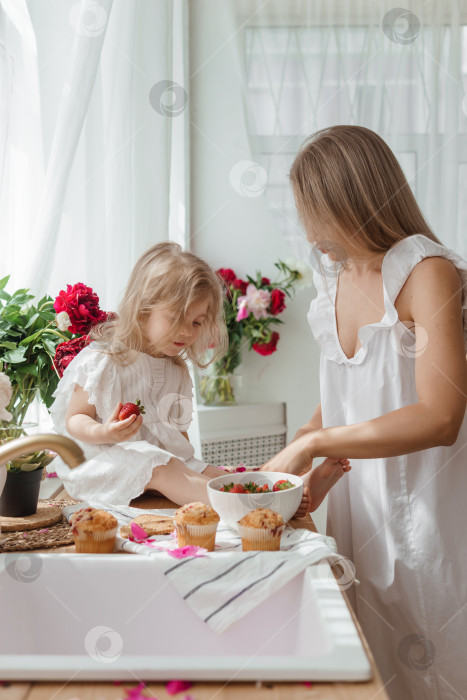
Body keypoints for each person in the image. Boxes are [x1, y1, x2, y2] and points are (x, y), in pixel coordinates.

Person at [261, 125, 467, 700]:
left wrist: (313, 445)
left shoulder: (426, 272)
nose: (309, 232)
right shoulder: (332, 288)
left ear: (354, 200)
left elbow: (441, 414)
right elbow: (341, 401)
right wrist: (283, 472)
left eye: (316, 213)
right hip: (361, 524)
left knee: (437, 668)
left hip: (430, 522)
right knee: (376, 676)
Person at [51, 242, 345, 514]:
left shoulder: (175, 370)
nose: (187, 332)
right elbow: (75, 419)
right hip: (97, 463)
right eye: (176, 319)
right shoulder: (105, 360)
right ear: (143, 311)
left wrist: (197, 468)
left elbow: (176, 439)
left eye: (196, 322)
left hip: (151, 459)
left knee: (202, 471)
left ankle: (283, 489)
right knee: (159, 464)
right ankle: (259, 505)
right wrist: (104, 432)